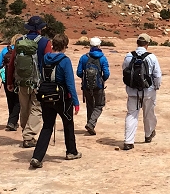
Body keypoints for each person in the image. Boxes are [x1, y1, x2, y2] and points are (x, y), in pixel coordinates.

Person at [30, 33, 81, 168]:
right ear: (64, 46)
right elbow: (70, 83)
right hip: (62, 98)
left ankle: (37, 157)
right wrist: (76, 102)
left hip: (46, 96)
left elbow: (42, 76)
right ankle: (71, 151)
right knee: (68, 124)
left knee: (47, 126)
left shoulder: (45, 58)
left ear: (53, 45)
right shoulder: (65, 60)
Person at [13, 16, 53, 148]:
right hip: (38, 82)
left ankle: (26, 132)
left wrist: (10, 81)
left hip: (21, 81)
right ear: (40, 29)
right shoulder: (45, 42)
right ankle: (29, 136)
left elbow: (13, 62)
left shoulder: (19, 41)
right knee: (37, 108)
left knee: (24, 108)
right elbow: (48, 63)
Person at [121, 33, 162, 151]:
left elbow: (125, 70)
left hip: (132, 91)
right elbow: (157, 75)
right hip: (148, 91)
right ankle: (148, 134)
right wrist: (156, 87)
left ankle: (128, 141)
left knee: (132, 114)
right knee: (148, 113)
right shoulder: (152, 57)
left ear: (137, 43)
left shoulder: (129, 56)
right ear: (147, 44)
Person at [76, 37, 110, 135]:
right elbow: (106, 73)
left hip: (86, 86)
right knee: (99, 105)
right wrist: (102, 79)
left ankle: (90, 124)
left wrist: (85, 78)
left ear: (90, 46)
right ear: (99, 46)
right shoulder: (103, 58)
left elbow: (79, 72)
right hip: (99, 86)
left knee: (89, 105)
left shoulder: (84, 57)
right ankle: (91, 124)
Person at [0, 34, 23, 131]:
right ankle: (12, 122)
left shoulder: (5, 50)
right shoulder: (22, 50)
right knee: (18, 101)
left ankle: (12, 121)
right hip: (19, 77)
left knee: (10, 99)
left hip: (7, 77)